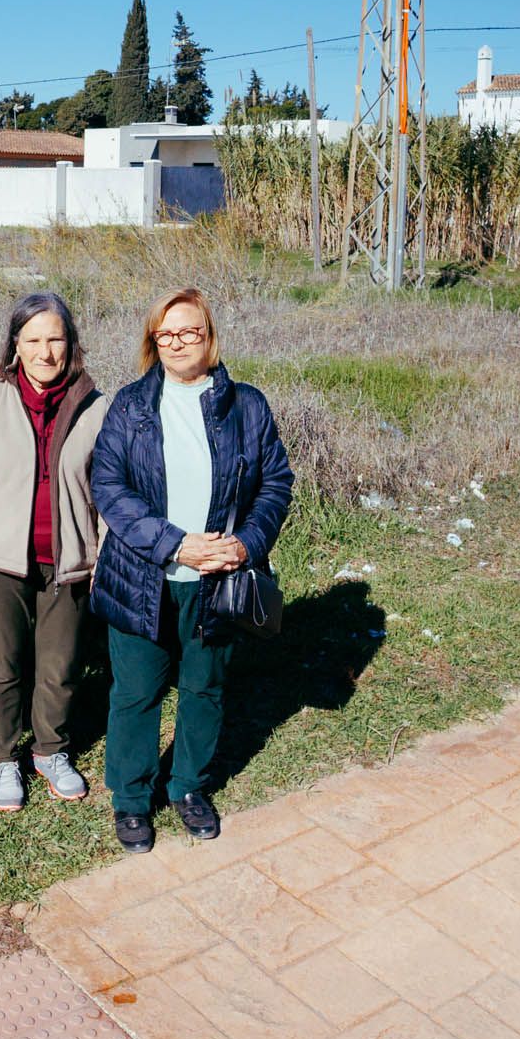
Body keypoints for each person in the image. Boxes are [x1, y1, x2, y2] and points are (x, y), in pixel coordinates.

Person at [89, 286, 294, 853]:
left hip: (218, 582)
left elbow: (275, 482)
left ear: (210, 337)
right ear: (153, 341)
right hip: (142, 577)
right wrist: (177, 545)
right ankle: (131, 801)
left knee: (204, 688)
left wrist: (247, 545)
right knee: (135, 693)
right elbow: (109, 486)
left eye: (190, 332)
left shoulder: (246, 406)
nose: (178, 343)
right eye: (166, 333)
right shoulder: (129, 406)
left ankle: (189, 788)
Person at [0, 292, 109, 814]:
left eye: (55, 338)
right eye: (33, 339)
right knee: (2, 664)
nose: (45, 350)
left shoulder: (96, 404)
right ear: (16, 344)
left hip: (69, 558)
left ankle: (50, 750)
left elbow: (109, 487)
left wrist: (101, 553)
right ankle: (2, 758)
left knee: (60, 664)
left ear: (71, 342)